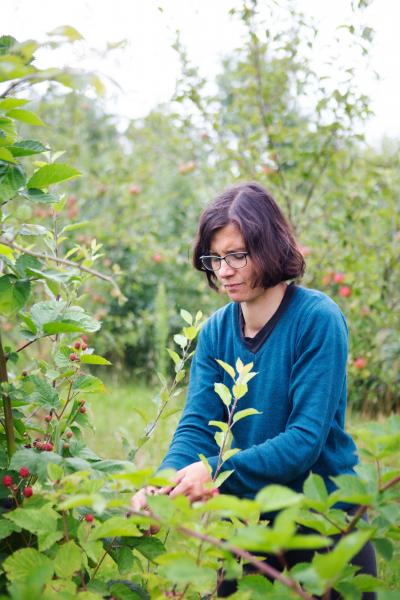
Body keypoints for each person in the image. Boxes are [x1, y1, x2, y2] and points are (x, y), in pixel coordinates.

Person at [131, 182, 377, 597]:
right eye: (215, 259)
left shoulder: (317, 319)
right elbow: (196, 429)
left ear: (269, 248)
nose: (224, 271)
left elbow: (304, 442)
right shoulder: (214, 332)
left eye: (237, 256)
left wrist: (214, 470)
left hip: (324, 524)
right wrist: (163, 485)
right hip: (249, 524)